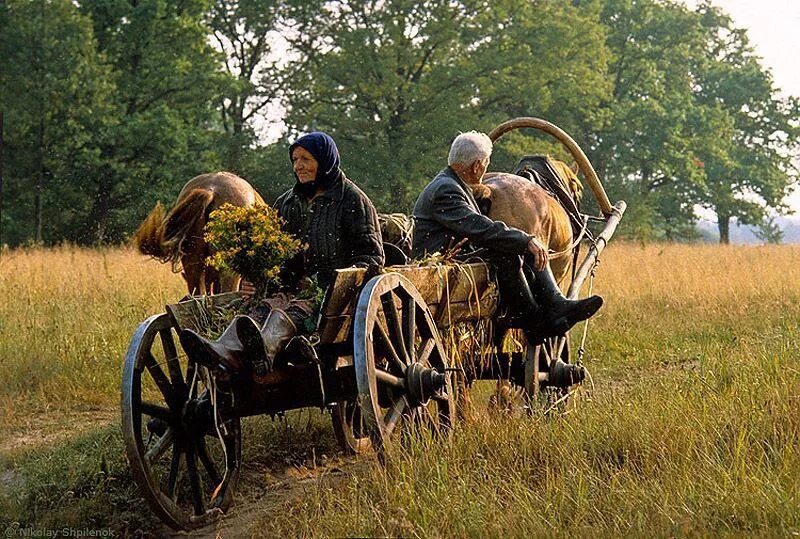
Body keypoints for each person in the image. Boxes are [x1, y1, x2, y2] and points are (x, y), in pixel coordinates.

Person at [180, 132, 385, 377]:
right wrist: (255, 278)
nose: (298, 166)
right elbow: (273, 255)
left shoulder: (353, 200)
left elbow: (371, 256)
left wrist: (339, 281)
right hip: (290, 287)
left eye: (306, 159)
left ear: (325, 160)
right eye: (295, 159)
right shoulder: (286, 203)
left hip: (333, 295)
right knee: (262, 309)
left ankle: (264, 349)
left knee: (293, 310)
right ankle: (223, 350)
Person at [412, 131, 602, 347]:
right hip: (439, 258)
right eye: (485, 164)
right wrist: (525, 240)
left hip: (451, 252)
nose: (485, 170)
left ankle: (555, 304)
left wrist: (522, 241)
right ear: (476, 166)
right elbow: (478, 226)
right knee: (510, 252)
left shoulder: (451, 184)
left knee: (512, 246)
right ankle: (535, 319)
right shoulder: (447, 189)